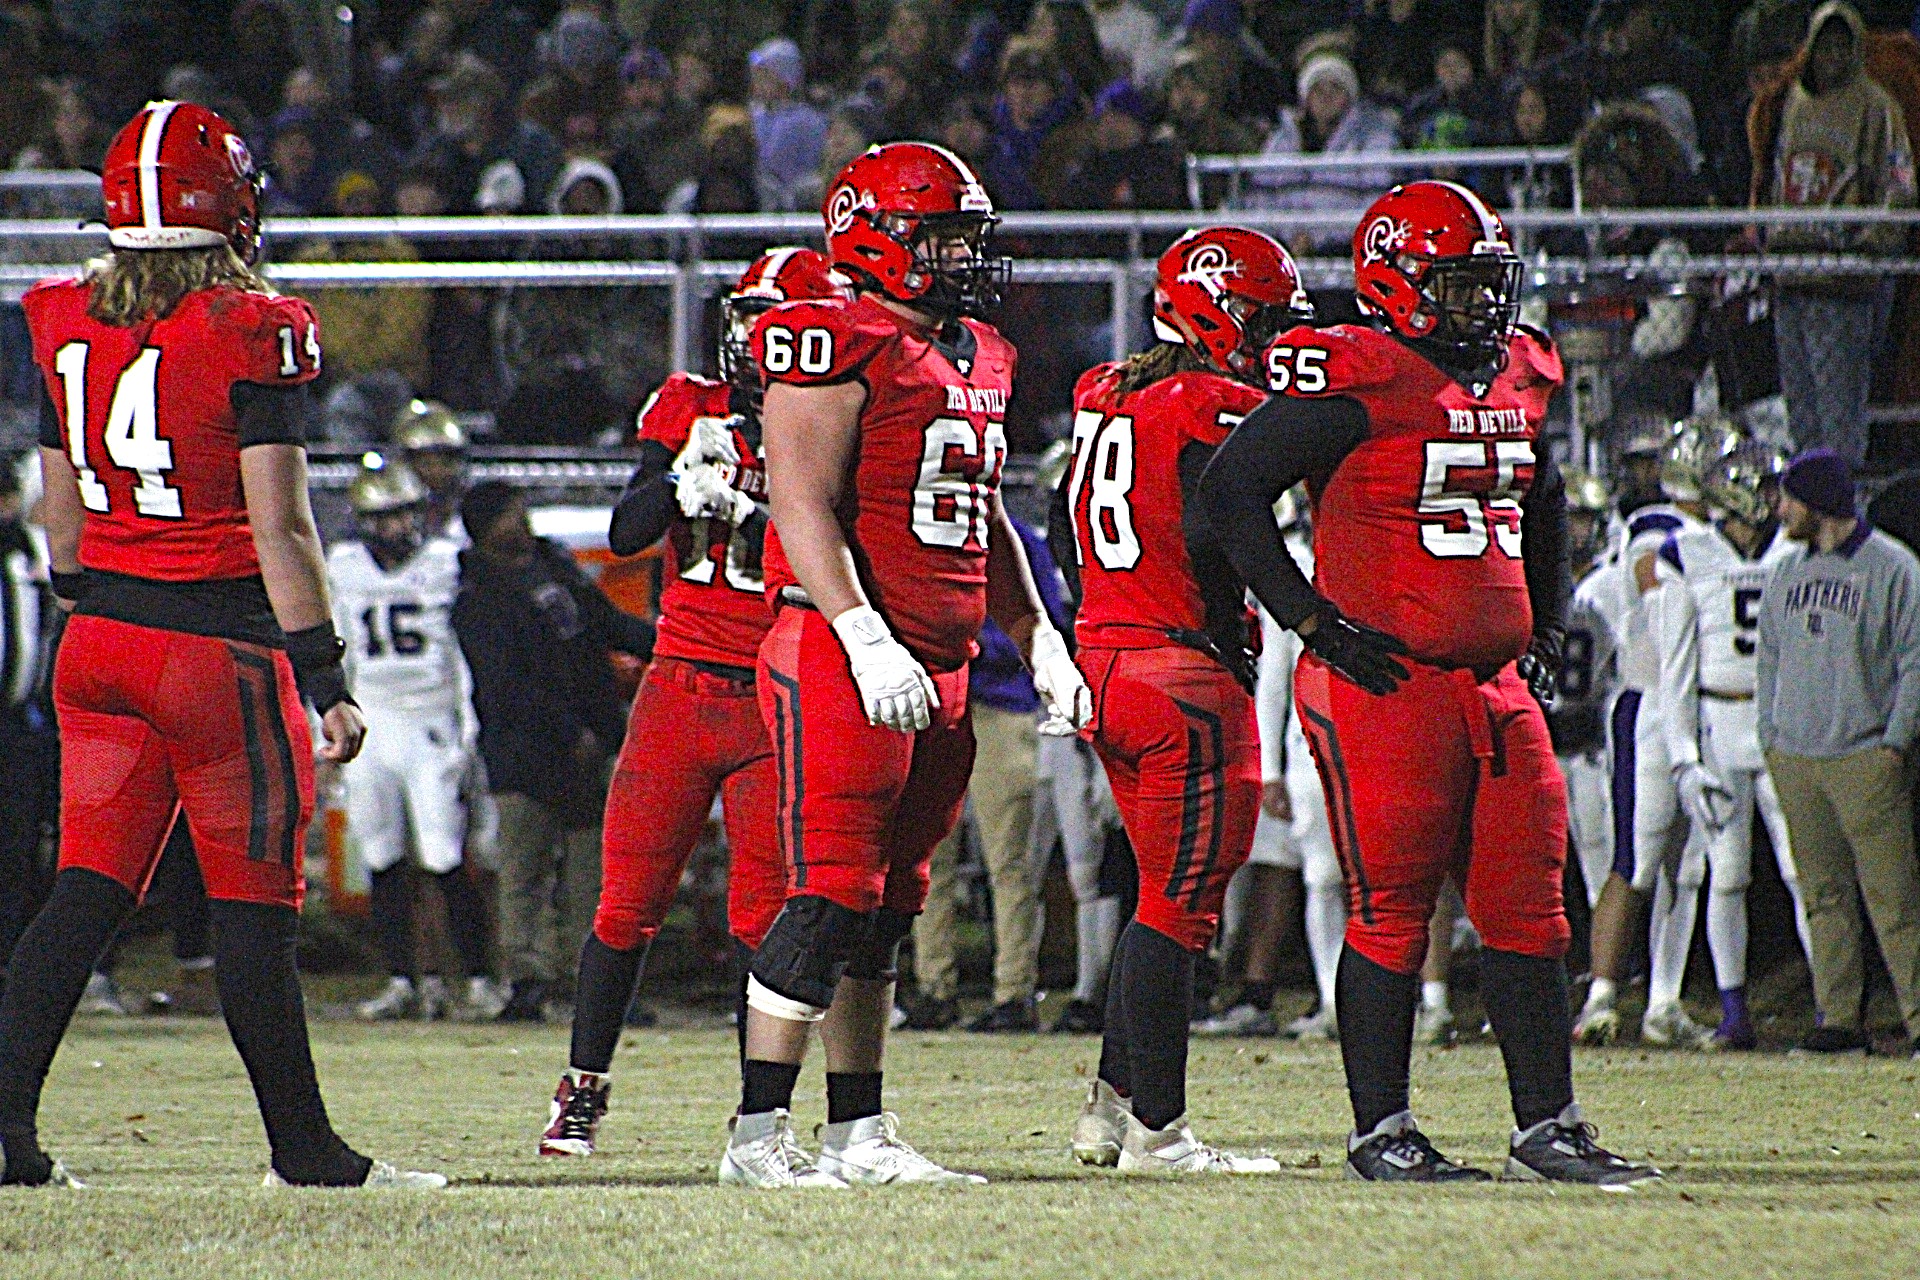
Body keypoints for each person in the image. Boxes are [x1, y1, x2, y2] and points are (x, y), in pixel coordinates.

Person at [1, 101, 440, 1190]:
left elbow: (60, 513)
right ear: (233, 209)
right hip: (215, 651)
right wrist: (324, 672)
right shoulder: (252, 327)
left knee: (86, 891)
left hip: (98, 640)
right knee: (253, 909)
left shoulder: (61, 313)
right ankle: (306, 1152)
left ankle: (5, 1136)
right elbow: (281, 526)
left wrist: (95, 601)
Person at [1202, 180, 1658, 1187]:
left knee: (1531, 910)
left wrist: (1540, 616)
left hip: (1493, 684)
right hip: (1385, 684)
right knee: (1392, 911)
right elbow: (1228, 490)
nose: (1481, 303)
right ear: (1395, 282)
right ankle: (1382, 1130)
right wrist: (1311, 619)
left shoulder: (1518, 368)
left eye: (1488, 281)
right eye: (1457, 282)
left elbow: (1543, 494)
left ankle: (1548, 1126)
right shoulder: (1355, 368)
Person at [726, 141, 1091, 1188]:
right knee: (830, 891)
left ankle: (858, 1130)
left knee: (888, 906)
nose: (963, 258)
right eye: (940, 238)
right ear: (874, 238)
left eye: (967, 238)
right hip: (843, 650)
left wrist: (1037, 632)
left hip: (944, 659)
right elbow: (800, 501)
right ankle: (755, 1134)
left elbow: (982, 511)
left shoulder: (981, 352)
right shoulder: (829, 334)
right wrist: (860, 629)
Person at [537, 247, 842, 1159]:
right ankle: (582, 1089)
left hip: (772, 695)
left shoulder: (836, 415)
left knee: (762, 918)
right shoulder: (688, 406)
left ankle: (758, 1118)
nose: (752, 338)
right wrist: (679, 481)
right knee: (625, 905)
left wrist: (760, 508)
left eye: (771, 320)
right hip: (676, 687)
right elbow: (626, 530)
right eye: (745, 317)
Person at [1061, 226, 1309, 1174]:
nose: (1275, 337)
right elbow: (1230, 520)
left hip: (1107, 663)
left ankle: (1111, 1108)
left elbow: (1068, 524)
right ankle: (1159, 1133)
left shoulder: (1105, 389)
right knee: (1181, 908)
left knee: (1155, 898)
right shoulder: (1214, 403)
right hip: (1183, 675)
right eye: (1263, 317)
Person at [453, 483, 654, 1024]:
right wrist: (570, 732)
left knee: (594, 873)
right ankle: (527, 982)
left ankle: (594, 980)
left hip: (590, 744)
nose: (522, 520)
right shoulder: (477, 599)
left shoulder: (555, 568)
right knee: (524, 872)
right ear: (485, 529)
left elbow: (606, 624)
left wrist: (672, 646)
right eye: (509, 514)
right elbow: (505, 686)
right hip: (525, 755)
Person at [1644, 439, 1812, 1049]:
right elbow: (1675, 669)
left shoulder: (1794, 548)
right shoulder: (1686, 553)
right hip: (1720, 720)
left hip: (1782, 722)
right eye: (1764, 487)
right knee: (1728, 873)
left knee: (1803, 872)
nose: (1774, 498)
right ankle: (1734, 1012)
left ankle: (1834, 1007)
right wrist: (1684, 759)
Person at [1759, 448, 1920, 1057]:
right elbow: (1769, 659)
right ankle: (1840, 1020)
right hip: (1797, 759)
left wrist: (1894, 743)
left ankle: (1918, 1018)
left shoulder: (1893, 567)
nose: (1781, 510)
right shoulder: (1786, 572)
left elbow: (1914, 660)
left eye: (1789, 498)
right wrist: (1771, 738)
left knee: (1894, 900)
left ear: (1817, 501)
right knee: (1822, 899)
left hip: (1865, 756)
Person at [328, 456, 496, 1023]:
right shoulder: (345, 566)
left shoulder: (447, 563)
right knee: (382, 857)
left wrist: (466, 731)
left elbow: (464, 654)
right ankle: (402, 979)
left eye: (404, 513)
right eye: (385, 516)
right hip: (372, 719)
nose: (397, 526)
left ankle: (477, 979)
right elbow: (338, 649)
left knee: (445, 855)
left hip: (430, 721)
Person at [1573, 422, 1720, 1047]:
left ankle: (1663, 1000)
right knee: (1635, 859)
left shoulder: (1711, 539)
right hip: (1652, 706)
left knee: (1686, 867)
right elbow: (1646, 581)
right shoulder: (1661, 528)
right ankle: (1601, 995)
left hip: (1693, 707)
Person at [914, 509, 1073, 1034]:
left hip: (1001, 709)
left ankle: (1014, 991)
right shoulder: (928, 530)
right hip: (939, 706)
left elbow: (1043, 627)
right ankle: (934, 986)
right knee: (927, 859)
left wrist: (967, 643)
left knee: (1010, 861)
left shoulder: (1019, 542)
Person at [1196, 496, 1342, 1042]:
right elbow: (1275, 679)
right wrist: (1272, 768)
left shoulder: (1374, 559)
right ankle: (1332, 999)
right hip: (1305, 743)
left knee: (1374, 881)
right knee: (1317, 877)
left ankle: (1398, 1001)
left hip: (1356, 739)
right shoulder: (1293, 566)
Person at [1753, 3, 1915, 469]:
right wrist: (1769, 240)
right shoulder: (1792, 105)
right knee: (1800, 402)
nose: (1832, 57)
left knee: (1840, 405)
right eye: (1824, 46)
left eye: (1843, 47)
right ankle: (1808, 493)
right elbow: (1774, 175)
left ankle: (1842, 495)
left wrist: (1869, 242)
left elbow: (1900, 184)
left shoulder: (1876, 107)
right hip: (1791, 271)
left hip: (1843, 280)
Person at [392, 400, 469, 544]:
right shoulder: (389, 511)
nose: (436, 471)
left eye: (446, 462)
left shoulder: (471, 510)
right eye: (425, 463)